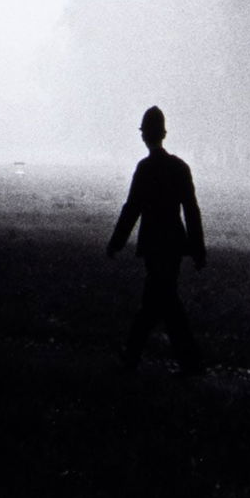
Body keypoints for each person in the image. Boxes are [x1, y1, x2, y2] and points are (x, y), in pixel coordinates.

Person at [106, 105, 205, 373]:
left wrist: (116, 242)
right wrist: (197, 248)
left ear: (144, 136)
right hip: (173, 244)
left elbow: (132, 208)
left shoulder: (145, 169)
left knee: (157, 303)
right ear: (163, 133)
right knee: (163, 300)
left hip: (152, 244)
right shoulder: (179, 168)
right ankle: (185, 361)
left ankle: (135, 357)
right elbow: (191, 210)